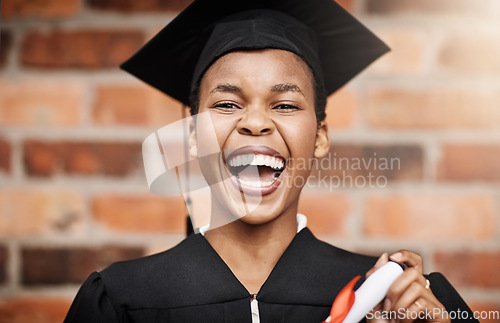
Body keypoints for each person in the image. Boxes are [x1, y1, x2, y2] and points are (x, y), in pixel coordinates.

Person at [64, 0, 478, 322]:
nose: (256, 122)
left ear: (319, 137)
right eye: (227, 104)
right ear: (192, 137)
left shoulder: (389, 299)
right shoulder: (122, 301)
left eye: (284, 104)